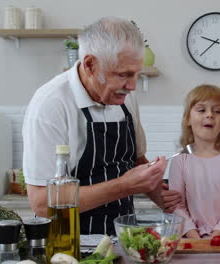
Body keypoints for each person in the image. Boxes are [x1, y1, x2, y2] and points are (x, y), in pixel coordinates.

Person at [22, 17, 179, 235]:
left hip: (124, 237)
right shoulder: (51, 104)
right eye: (123, 75)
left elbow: (135, 159)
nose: (132, 86)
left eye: (136, 74)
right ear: (90, 65)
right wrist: (123, 186)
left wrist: (163, 197)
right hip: (69, 242)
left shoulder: (123, 95)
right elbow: (41, 203)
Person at [169, 84, 220, 239]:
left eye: (217, 111)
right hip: (190, 240)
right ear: (188, 119)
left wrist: (216, 236)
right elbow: (177, 206)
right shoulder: (179, 161)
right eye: (202, 110)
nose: (210, 115)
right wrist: (195, 237)